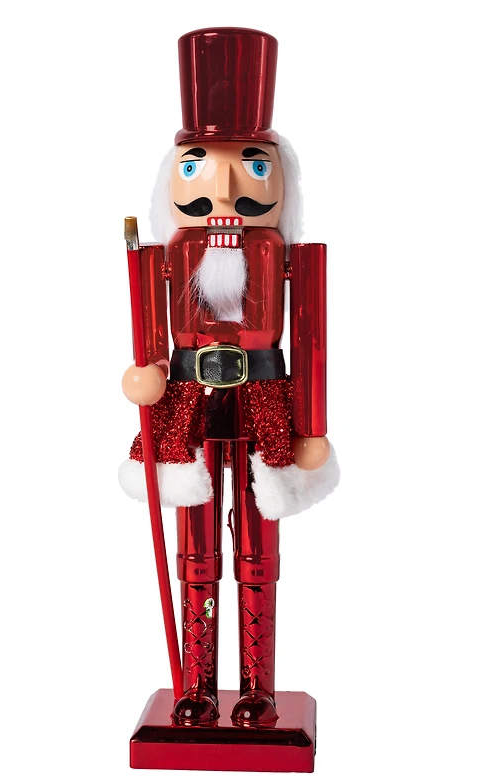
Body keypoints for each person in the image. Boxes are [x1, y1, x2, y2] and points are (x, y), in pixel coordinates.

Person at [119, 27, 339, 727]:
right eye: (197, 166)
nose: (225, 190)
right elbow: (151, 341)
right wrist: (146, 377)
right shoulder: (167, 255)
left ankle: (257, 686)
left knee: (257, 540)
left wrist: (313, 425)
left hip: (265, 400)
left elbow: (311, 340)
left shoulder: (287, 255)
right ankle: (194, 683)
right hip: (188, 402)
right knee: (194, 540)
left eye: (250, 166)